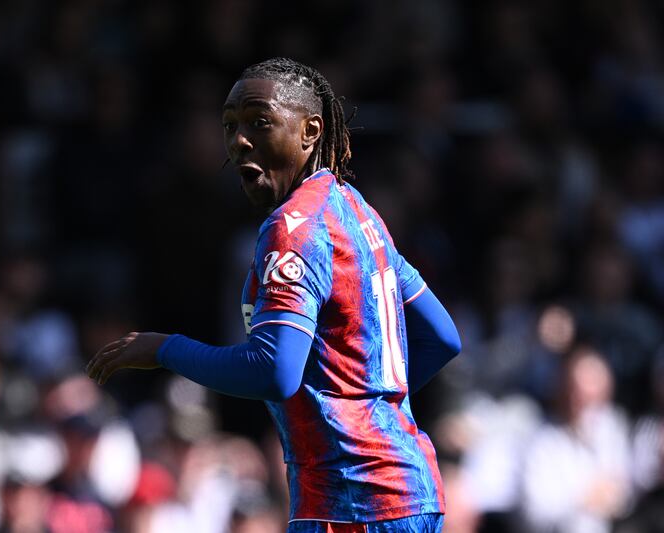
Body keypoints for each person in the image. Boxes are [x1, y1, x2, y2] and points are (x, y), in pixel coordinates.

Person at [86, 58, 461, 533]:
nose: (239, 139)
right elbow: (443, 337)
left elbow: (274, 370)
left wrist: (165, 349)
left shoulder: (292, 229)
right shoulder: (356, 211)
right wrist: (366, 414)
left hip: (351, 503)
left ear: (310, 131)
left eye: (260, 122)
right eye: (230, 124)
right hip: (409, 491)